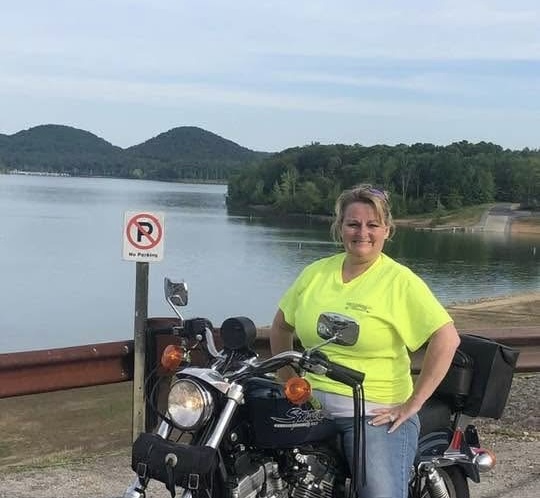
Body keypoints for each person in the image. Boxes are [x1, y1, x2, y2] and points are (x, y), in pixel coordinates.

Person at [269, 184, 460, 498]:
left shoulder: (399, 281)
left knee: (378, 493)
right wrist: (288, 379)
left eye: (372, 224)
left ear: (387, 230)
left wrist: (413, 403)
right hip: (310, 406)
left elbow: (446, 338)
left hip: (374, 412)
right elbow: (280, 326)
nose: (362, 233)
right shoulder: (315, 273)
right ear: (339, 227)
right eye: (353, 224)